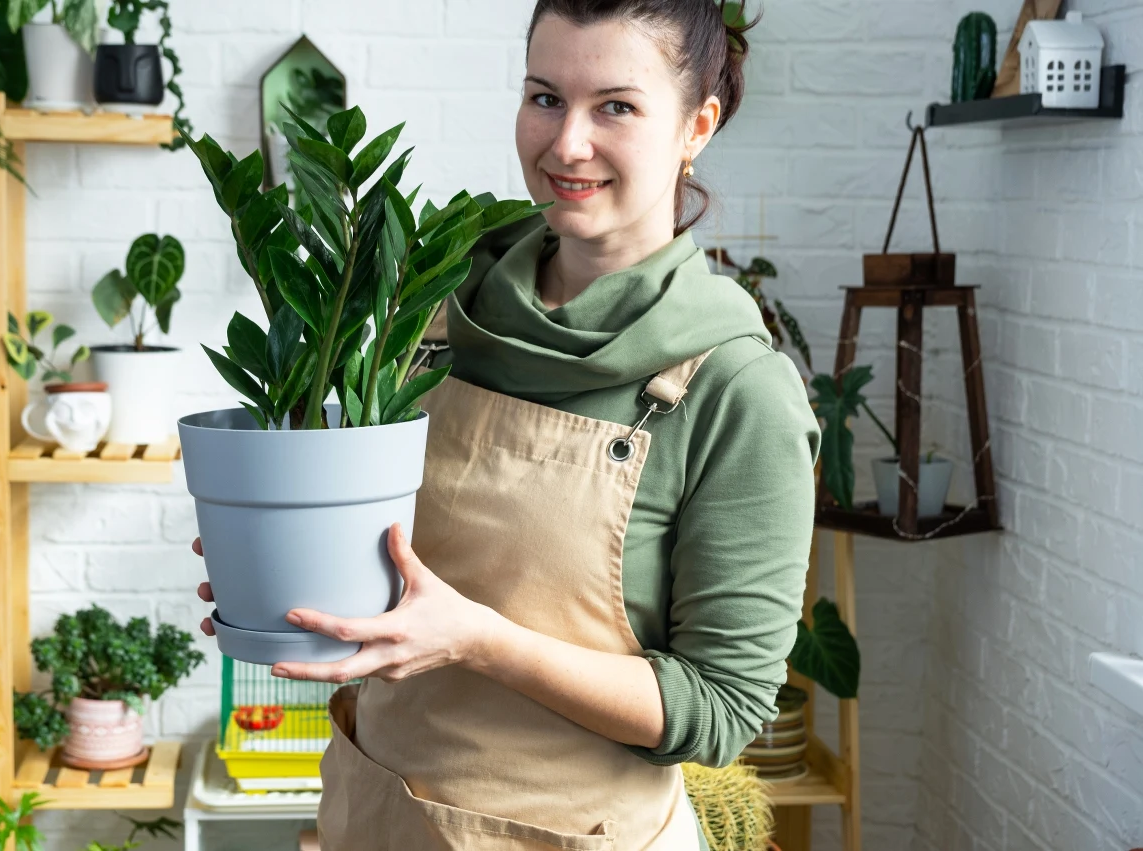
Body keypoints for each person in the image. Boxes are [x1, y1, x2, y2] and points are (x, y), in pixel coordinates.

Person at [193, 1, 821, 847]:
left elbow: (720, 710)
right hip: (376, 813)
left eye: (617, 107)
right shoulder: (434, 303)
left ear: (696, 126)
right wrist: (281, 547)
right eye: (545, 97)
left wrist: (478, 642)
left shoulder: (736, 387)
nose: (567, 144)